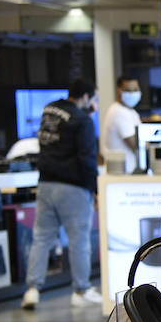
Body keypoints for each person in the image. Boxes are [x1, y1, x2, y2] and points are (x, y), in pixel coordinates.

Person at [23, 79, 102, 309]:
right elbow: (87, 158)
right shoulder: (83, 120)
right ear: (85, 97)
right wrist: (94, 189)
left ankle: (32, 290)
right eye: (94, 99)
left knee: (41, 238)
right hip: (73, 187)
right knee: (79, 240)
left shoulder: (49, 110)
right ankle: (81, 290)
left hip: (45, 184)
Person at [100, 76, 142, 172]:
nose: (133, 94)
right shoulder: (119, 112)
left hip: (127, 171)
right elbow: (136, 144)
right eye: (128, 90)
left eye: (135, 90)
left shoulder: (131, 112)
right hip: (120, 172)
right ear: (119, 91)